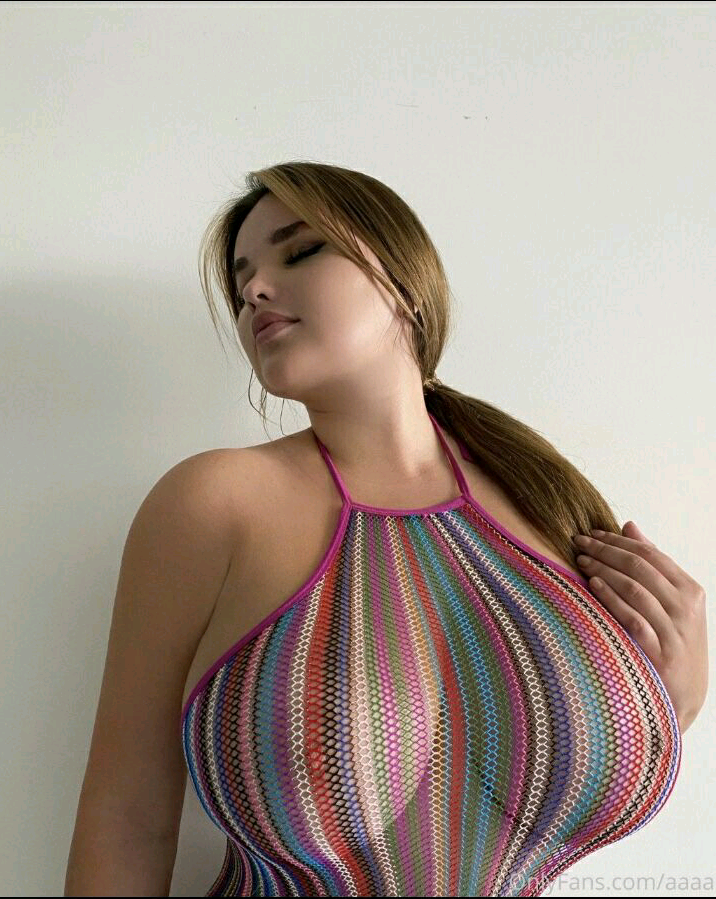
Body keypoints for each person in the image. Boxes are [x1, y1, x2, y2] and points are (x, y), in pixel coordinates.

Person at [65, 162, 684, 897]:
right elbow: (128, 817)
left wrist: (672, 704)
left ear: (402, 280)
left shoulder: (550, 503)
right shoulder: (214, 503)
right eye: (241, 283)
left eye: (300, 251)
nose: (256, 291)